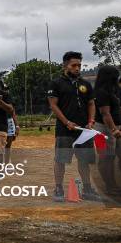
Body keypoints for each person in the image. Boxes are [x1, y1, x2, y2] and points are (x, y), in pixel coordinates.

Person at [48, 51, 100, 202]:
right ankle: (58, 189)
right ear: (65, 65)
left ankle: (87, 189)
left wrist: (91, 121)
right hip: (64, 130)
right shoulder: (56, 83)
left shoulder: (85, 84)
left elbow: (91, 103)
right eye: (74, 65)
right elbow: (53, 105)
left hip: (84, 130)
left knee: (84, 160)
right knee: (60, 159)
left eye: (79, 65)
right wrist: (67, 122)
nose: (77, 68)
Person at [94, 66, 121, 195]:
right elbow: (105, 113)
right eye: (115, 76)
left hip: (117, 127)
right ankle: (110, 186)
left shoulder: (114, 90)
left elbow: (116, 110)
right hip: (101, 129)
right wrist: (113, 129)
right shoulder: (101, 92)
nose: (117, 79)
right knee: (105, 158)